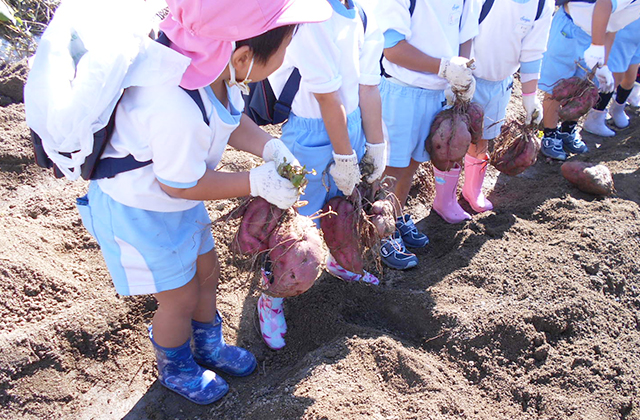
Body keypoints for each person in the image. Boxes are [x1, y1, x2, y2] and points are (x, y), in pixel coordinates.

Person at [76, 0, 332, 405]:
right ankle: (175, 366)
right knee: (177, 295)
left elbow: (231, 123)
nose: (287, 57)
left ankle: (208, 345)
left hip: (176, 201)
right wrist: (254, 181)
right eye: (284, 48)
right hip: (140, 209)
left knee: (207, 273)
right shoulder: (172, 103)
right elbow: (180, 184)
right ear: (245, 56)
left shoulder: (218, 73)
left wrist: (270, 147)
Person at [256, 0, 386, 351]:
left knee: (343, 205)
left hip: (353, 123)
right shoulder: (310, 15)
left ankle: (337, 261)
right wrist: (344, 157)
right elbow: (328, 98)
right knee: (294, 219)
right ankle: (272, 297)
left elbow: (368, 85)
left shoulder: (362, 10)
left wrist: (376, 144)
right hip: (312, 130)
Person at [367, 0, 480, 266]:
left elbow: (465, 36)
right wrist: (443, 67)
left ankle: (395, 215)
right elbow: (393, 48)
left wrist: (461, 71)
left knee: (413, 163)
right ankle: (381, 234)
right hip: (401, 90)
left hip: (436, 92)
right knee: (392, 169)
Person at [469, 0, 553, 213]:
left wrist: (530, 97)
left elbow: (532, 52)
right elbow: (463, 32)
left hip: (500, 82)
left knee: (483, 138)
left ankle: (472, 190)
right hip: (467, 77)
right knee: (455, 140)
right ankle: (444, 197)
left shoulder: (541, 4)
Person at [539, 0, 640, 160]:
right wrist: (597, 46)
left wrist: (603, 64)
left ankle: (568, 130)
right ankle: (550, 134)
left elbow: (613, 27)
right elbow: (604, 3)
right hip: (571, 29)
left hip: (599, 34)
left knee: (585, 88)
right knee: (556, 87)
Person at [595, 17, 640, 131]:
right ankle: (596, 116)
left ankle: (618, 108)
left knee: (630, 78)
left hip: (637, 36)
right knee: (614, 77)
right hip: (623, 31)